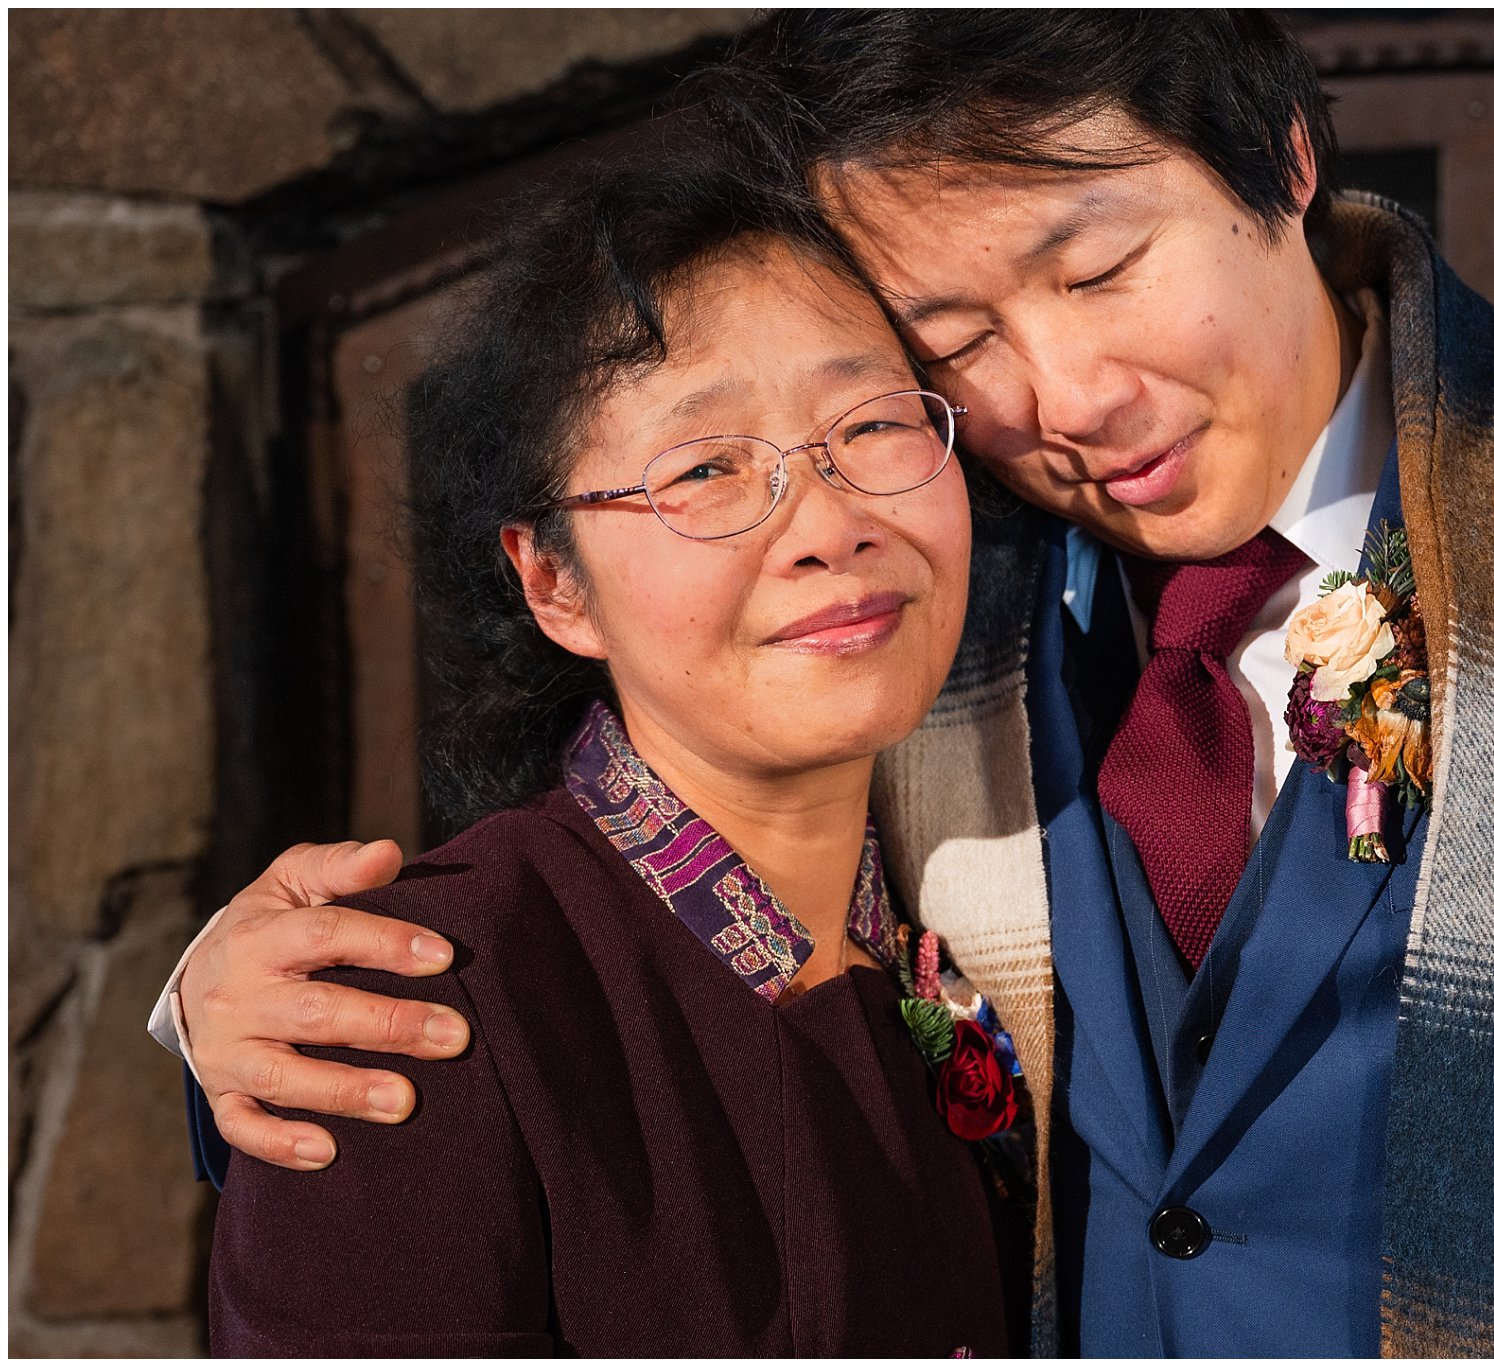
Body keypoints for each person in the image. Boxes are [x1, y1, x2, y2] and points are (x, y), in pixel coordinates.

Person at [155, 11, 1494, 1356]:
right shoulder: (918, 569)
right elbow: (642, 930)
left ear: (1283, 157)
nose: (1054, 399)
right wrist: (222, 1015)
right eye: (954, 340)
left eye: (1100, 269)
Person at [201, 114, 1029, 1355]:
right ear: (554, 584)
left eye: (869, 427)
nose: (826, 525)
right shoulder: (414, 1005)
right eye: (704, 469)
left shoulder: (962, 908)